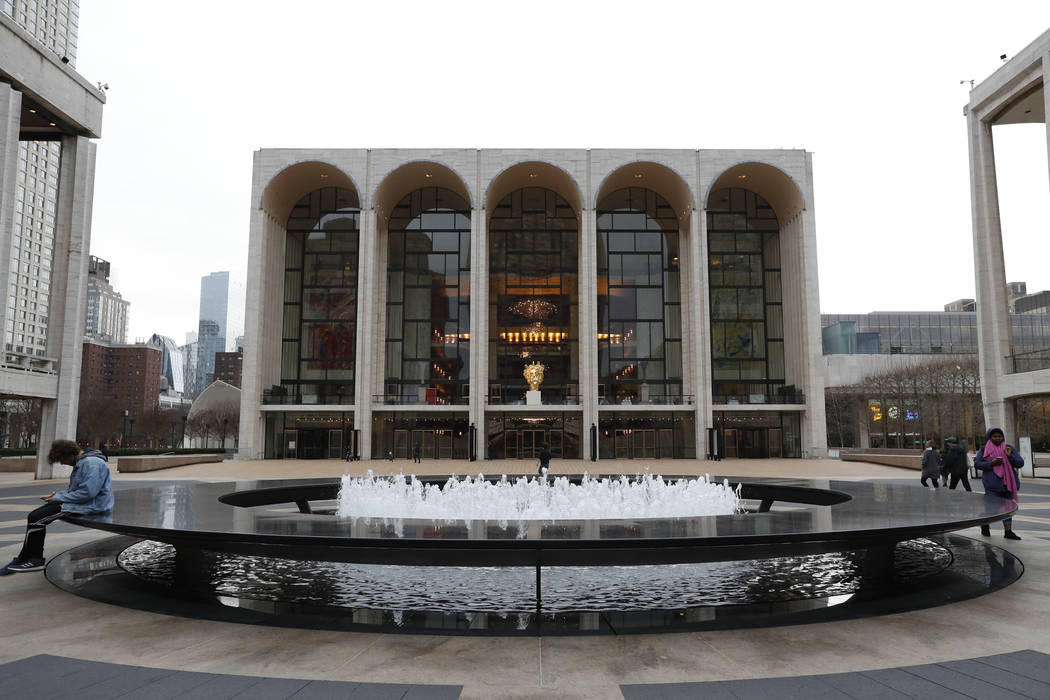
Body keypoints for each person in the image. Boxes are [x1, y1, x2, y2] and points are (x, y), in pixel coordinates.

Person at [1, 440, 113, 574]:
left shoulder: (91, 464)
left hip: (91, 506)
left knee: (37, 518)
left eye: (61, 459)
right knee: (34, 516)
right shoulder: (83, 462)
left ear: (70, 454)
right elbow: (77, 490)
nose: (61, 463)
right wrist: (58, 496)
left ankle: (36, 559)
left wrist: (59, 498)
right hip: (82, 503)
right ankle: (24, 557)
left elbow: (88, 493)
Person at [974, 426, 1024, 540]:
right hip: (992, 485)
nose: (998, 438)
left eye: (1000, 436)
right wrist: (991, 463)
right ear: (990, 437)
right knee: (992, 509)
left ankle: (1008, 531)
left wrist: (1010, 456)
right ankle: (985, 523)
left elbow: (1020, 463)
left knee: (1008, 508)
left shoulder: (1009, 448)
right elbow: (977, 464)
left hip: (1008, 484)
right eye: (995, 436)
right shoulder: (984, 450)